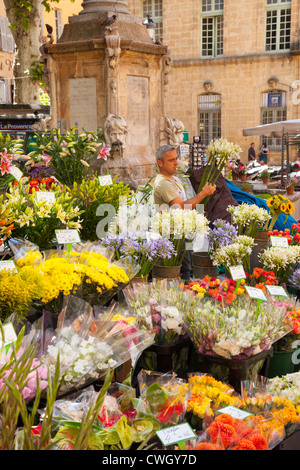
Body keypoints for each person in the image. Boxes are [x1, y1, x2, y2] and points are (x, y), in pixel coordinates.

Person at [153, 145, 216, 279]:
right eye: (171, 160)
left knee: (186, 267)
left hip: (181, 233)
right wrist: (204, 193)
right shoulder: (164, 183)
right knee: (182, 271)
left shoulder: (174, 179)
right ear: (160, 163)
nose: (176, 162)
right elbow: (180, 207)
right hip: (172, 236)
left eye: (176, 158)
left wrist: (194, 214)